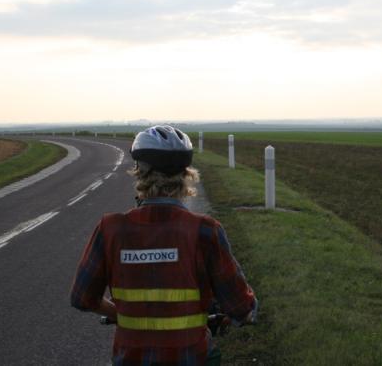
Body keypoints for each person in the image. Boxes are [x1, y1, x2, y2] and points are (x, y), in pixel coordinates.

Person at [70, 125, 257, 365]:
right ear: (186, 176)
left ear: (139, 172)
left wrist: (120, 314)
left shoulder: (110, 229)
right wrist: (242, 313)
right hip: (191, 357)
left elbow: (82, 298)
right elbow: (241, 307)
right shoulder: (205, 230)